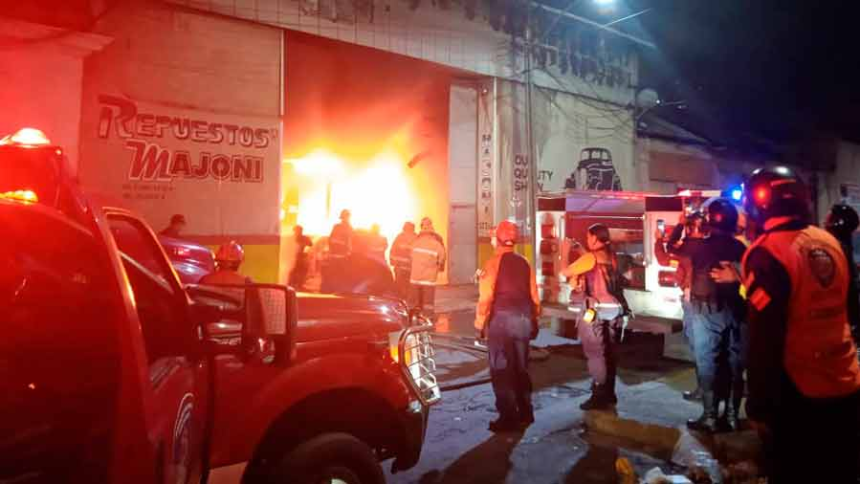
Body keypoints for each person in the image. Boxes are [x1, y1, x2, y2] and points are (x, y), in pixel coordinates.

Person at [741, 167, 860, 483]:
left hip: (798, 395)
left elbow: (765, 337)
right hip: (846, 382)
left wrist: (759, 404)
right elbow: (850, 309)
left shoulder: (767, 252)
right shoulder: (832, 243)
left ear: (758, 204)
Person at [683, 199, 747, 433]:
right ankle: (731, 417)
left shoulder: (699, 246)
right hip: (736, 311)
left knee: (707, 362)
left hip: (706, 312)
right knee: (734, 365)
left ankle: (710, 416)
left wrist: (686, 225)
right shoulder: (741, 248)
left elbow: (674, 249)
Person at [475, 221, 541, 432]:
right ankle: (526, 412)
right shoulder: (525, 262)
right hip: (523, 319)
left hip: (501, 321)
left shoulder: (492, 263)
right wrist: (534, 319)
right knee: (521, 368)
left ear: (497, 239)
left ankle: (508, 418)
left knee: (501, 369)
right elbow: (534, 296)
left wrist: (480, 323)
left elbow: (486, 297)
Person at [562, 223, 627, 410]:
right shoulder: (611, 256)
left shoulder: (591, 257)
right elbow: (593, 265)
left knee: (595, 354)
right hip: (614, 311)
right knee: (609, 353)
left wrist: (564, 251)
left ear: (595, 238)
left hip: (595, 312)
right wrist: (582, 250)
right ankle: (609, 393)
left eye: (588, 237)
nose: (587, 239)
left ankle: (598, 396)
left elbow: (564, 271)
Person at [655, 211, 707, 401]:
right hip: (710, 301)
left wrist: (660, 239)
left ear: (690, 228)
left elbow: (664, 255)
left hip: (692, 301)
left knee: (698, 347)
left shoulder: (686, 249)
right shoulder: (710, 246)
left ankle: (704, 390)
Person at [826, 203, 860, 340]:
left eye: (830, 217)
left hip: (840, 319)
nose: (826, 220)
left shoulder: (834, 247)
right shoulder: (843, 246)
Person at [410, 217, 446, 315]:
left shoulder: (416, 240)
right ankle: (428, 318)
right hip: (429, 277)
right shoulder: (437, 242)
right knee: (428, 302)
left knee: (415, 300)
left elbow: (411, 255)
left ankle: (414, 318)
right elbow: (442, 256)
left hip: (415, 277)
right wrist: (438, 268)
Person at [390, 222, 417, 299]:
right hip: (410, 268)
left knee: (399, 286)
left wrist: (393, 261)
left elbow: (393, 249)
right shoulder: (417, 237)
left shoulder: (400, 237)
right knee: (409, 287)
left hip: (400, 267)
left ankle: (400, 300)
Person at [289, 225, 313, 290]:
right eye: (296, 231)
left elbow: (310, 245)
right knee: (295, 271)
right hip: (295, 257)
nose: (297, 232)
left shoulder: (304, 238)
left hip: (302, 257)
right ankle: (294, 284)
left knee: (301, 271)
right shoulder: (292, 238)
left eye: (299, 230)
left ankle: (299, 285)